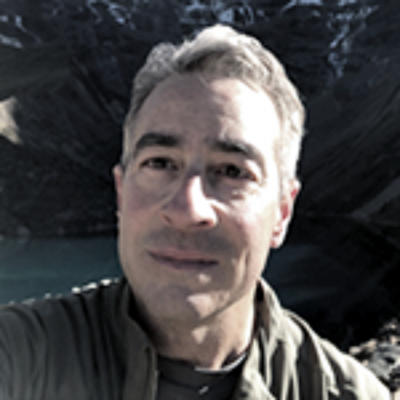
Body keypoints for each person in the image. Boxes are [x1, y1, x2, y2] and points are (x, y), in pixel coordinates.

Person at [0, 25, 390, 400]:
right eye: (159, 163)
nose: (188, 209)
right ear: (121, 192)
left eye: (233, 171)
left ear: (283, 212)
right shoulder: (19, 355)